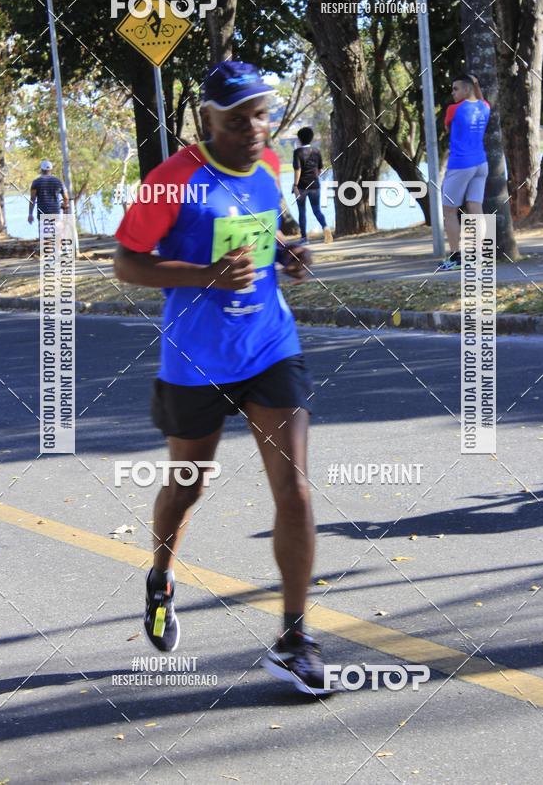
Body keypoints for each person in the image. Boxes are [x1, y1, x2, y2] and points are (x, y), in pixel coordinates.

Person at [114, 61, 337, 696]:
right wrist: (204, 275)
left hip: (270, 345)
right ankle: (161, 577)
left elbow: (272, 236)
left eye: (261, 114)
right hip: (195, 360)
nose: (252, 127)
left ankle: (294, 637)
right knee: (187, 487)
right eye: (237, 118)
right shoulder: (171, 180)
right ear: (207, 118)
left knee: (293, 487)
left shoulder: (268, 167)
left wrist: (291, 253)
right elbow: (127, 266)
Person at [438, 73, 490, 271]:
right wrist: (475, 83)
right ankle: (479, 256)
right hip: (481, 164)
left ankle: (455, 257)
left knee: (449, 211)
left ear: (467, 89)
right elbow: (481, 98)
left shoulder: (453, 110)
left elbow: (446, 128)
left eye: (456, 88)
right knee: (476, 209)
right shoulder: (485, 107)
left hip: (460, 164)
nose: (452, 93)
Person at [292, 127, 333, 244]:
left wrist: (295, 185)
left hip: (301, 186)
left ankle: (304, 238)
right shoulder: (316, 151)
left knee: (302, 211)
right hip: (315, 185)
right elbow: (320, 170)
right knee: (316, 210)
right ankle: (325, 227)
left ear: (299, 139)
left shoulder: (297, 152)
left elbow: (297, 170)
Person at [28, 160, 68, 228]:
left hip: (42, 213)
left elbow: (32, 199)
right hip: (56, 213)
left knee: (45, 236)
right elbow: (66, 197)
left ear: (41, 169)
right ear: (51, 169)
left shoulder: (36, 182)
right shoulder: (58, 181)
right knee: (56, 235)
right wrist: (64, 207)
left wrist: (30, 214)